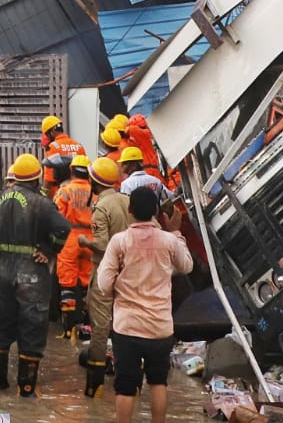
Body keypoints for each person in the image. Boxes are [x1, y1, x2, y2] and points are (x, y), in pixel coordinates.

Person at [0, 153, 71, 398]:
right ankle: (26, 390)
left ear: (15, 176)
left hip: (4, 273)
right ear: (37, 179)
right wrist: (49, 249)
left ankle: (0, 383)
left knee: (3, 324)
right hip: (32, 276)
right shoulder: (41, 203)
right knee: (33, 328)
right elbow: (63, 228)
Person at [97, 187, 193, 423]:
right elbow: (187, 266)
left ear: (130, 211)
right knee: (158, 382)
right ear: (156, 212)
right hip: (160, 327)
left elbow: (103, 284)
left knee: (126, 386)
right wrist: (177, 232)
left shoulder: (120, 242)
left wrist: (119, 287)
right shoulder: (169, 241)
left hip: (127, 327)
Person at [83, 156, 130, 397]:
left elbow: (101, 245)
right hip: (130, 274)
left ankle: (95, 388)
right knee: (128, 326)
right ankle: (133, 384)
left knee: (100, 328)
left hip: (105, 272)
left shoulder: (102, 207)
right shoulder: (128, 201)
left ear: (94, 182)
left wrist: (84, 242)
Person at [53, 153, 96, 339]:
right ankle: (88, 327)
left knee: (67, 285)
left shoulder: (65, 191)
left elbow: (55, 216)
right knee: (88, 284)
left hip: (69, 240)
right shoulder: (95, 192)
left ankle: (69, 329)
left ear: (72, 170)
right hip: (90, 240)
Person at [40, 116, 84, 193]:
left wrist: (43, 195)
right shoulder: (78, 145)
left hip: (59, 192)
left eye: (47, 134)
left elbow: (49, 178)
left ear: (52, 131)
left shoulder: (53, 147)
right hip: (79, 191)